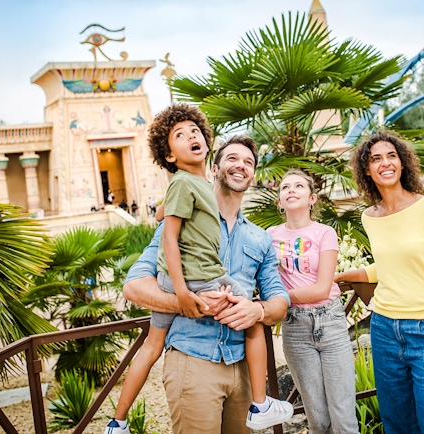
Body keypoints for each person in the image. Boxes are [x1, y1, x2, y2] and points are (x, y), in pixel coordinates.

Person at [105, 108, 291, 434]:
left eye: (249, 162)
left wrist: (255, 310)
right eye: (232, 158)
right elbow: (134, 286)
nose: (241, 166)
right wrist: (188, 301)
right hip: (193, 360)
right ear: (215, 169)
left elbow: (279, 301)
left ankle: (262, 405)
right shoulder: (185, 215)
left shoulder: (260, 239)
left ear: (253, 175)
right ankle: (117, 422)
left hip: (244, 369)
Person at [336, 130, 424, 434]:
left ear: (402, 164)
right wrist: (347, 276)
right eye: (376, 159)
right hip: (384, 328)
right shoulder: (369, 217)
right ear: (366, 170)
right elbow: (387, 267)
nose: (385, 163)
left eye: (391, 156)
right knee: (397, 425)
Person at [267, 170, 358, 433]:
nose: (291, 190)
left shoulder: (324, 233)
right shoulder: (268, 235)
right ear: (280, 201)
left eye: (298, 186)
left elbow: (321, 288)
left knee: (344, 419)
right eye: (285, 187)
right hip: (295, 328)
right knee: (317, 419)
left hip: (329, 322)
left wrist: (277, 300)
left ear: (312, 198)